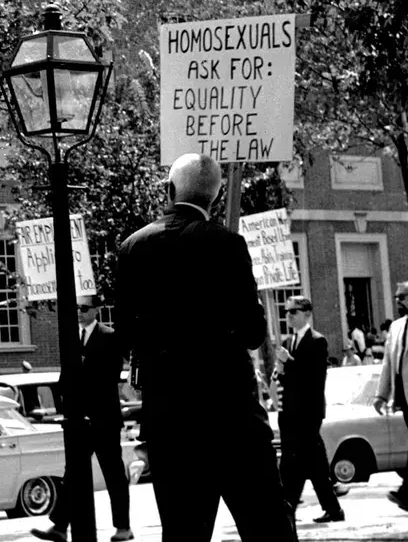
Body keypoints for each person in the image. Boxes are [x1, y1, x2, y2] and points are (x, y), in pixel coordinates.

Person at [114, 154, 296, 542]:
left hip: (169, 421)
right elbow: (252, 332)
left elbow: (125, 332)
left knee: (183, 533)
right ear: (214, 198)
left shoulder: (132, 248)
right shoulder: (227, 244)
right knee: (267, 528)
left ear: (169, 190)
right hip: (231, 415)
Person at [31, 295, 132, 542]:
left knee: (114, 474)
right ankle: (60, 526)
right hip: (80, 419)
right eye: (77, 308)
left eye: (85, 308)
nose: (80, 312)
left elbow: (110, 374)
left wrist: (84, 373)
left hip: (104, 418)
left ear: (96, 310)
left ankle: (123, 527)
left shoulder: (109, 336)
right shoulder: (71, 338)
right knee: (73, 473)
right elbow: (66, 374)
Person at [275, 295, 344, 524]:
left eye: (293, 311)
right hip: (291, 414)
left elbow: (314, 379)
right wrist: (281, 371)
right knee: (313, 465)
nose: (289, 316)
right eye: (286, 312)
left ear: (307, 313)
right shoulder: (287, 342)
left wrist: (290, 363)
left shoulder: (317, 341)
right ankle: (332, 509)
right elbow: (285, 380)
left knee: (292, 465)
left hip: (308, 413)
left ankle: (288, 508)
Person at [374, 280, 408, 510]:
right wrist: (381, 395)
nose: (398, 301)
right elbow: (388, 364)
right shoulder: (396, 327)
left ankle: (407, 491)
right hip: (404, 400)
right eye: (396, 297)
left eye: (402, 297)